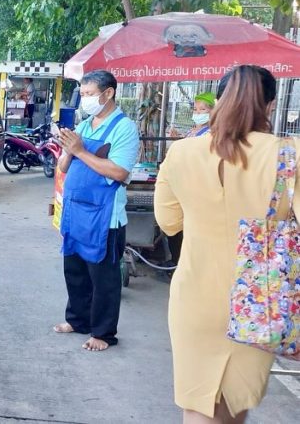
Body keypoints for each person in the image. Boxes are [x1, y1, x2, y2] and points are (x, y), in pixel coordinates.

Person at [155, 65, 300, 423]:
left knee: (197, 406)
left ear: (217, 102)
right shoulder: (289, 155)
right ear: (269, 105)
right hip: (261, 302)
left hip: (194, 298)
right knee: (235, 406)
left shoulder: (182, 153)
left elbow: (169, 223)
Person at [55, 70, 140, 352]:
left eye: (90, 94)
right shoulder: (86, 124)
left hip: (105, 217)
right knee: (75, 270)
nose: (85, 100)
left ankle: (103, 333)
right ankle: (77, 320)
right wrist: (68, 148)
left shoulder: (124, 128)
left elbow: (119, 171)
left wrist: (79, 151)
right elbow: (63, 168)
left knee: (103, 277)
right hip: (76, 211)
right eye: (84, 94)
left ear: (108, 93)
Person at [166, 92, 217, 266]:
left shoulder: (212, 133)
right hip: (184, 182)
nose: (198, 113)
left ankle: (182, 263)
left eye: (203, 109)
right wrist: (177, 139)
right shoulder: (194, 130)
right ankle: (176, 261)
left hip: (197, 184)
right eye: (196, 109)